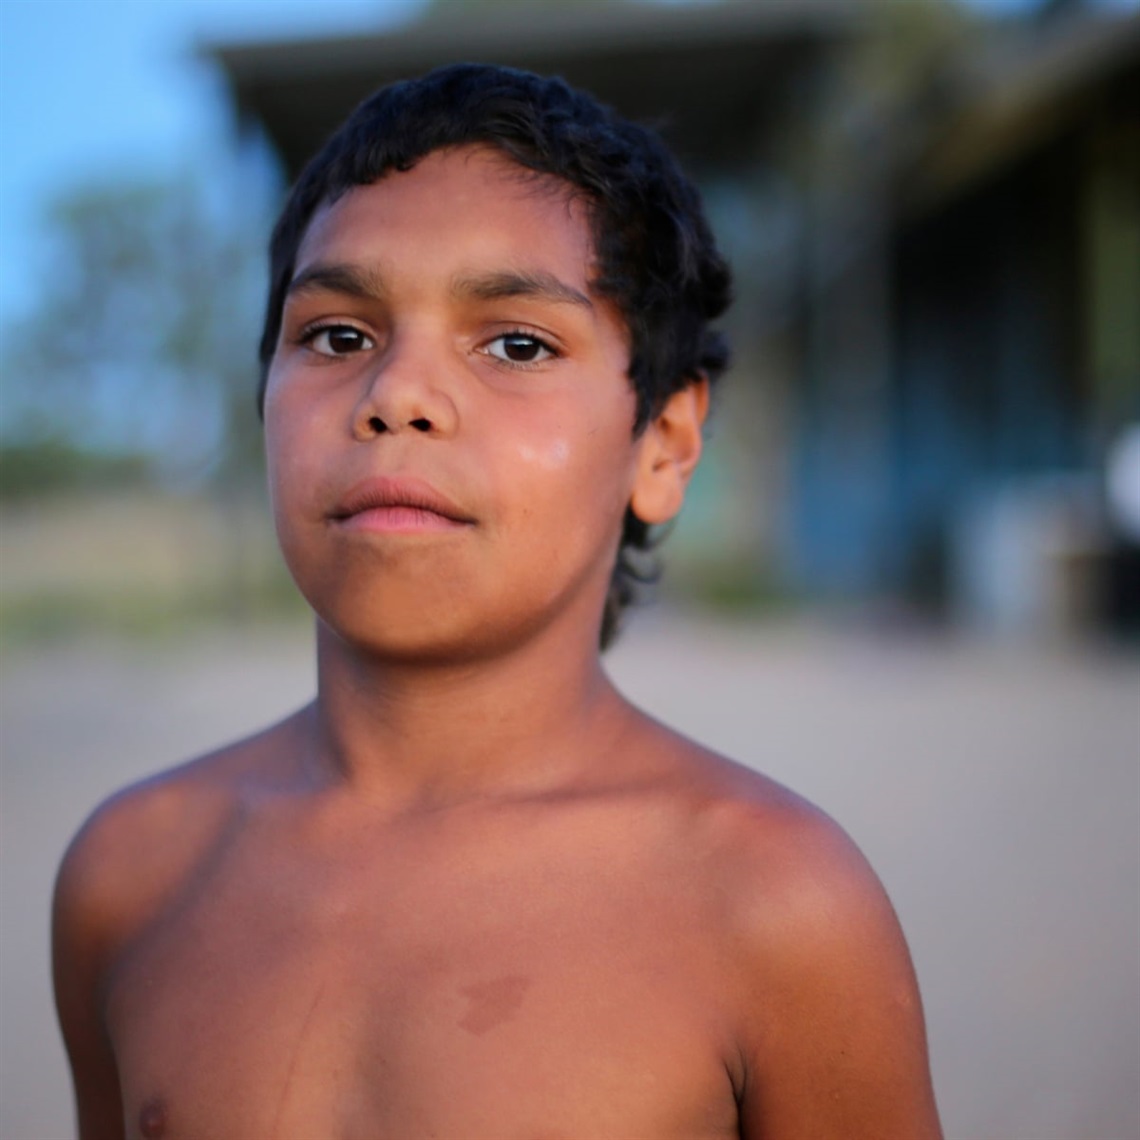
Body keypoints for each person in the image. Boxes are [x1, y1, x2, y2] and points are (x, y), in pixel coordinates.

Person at [52, 64, 942, 1139]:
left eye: (516, 343)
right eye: (337, 335)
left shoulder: (774, 906)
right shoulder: (134, 876)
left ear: (663, 445)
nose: (396, 397)